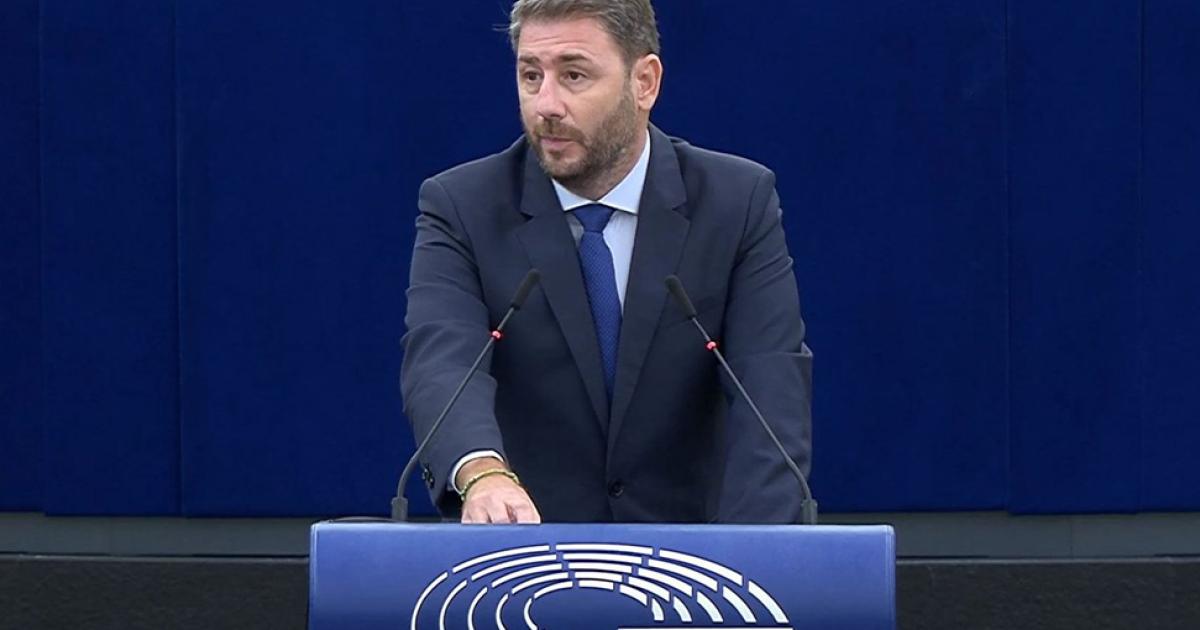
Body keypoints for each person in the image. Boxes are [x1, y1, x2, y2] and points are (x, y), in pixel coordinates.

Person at [401, 0, 812, 524]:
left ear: (645, 83)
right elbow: (442, 362)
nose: (546, 104)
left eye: (573, 75)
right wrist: (482, 473)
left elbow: (770, 393)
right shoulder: (462, 207)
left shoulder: (736, 203)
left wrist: (750, 560)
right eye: (531, 75)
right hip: (523, 551)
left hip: (691, 557)